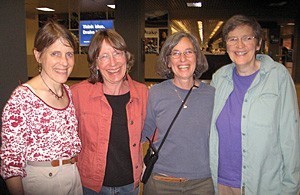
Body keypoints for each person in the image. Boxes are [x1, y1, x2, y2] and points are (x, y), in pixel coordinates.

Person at [209, 14, 300, 195]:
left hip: (263, 184)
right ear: (226, 45)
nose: (239, 45)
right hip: (223, 182)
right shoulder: (219, 78)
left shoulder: (278, 77)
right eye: (233, 39)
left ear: (258, 44)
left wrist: (291, 185)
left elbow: (290, 136)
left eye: (247, 38)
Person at [0, 20, 82, 195]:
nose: (64, 62)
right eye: (55, 54)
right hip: (43, 181)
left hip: (73, 175)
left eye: (69, 54)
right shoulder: (22, 98)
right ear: (38, 56)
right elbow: (11, 162)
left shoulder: (68, 92)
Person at [71, 29, 148, 194]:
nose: (113, 63)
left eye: (117, 53)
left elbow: (154, 134)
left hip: (130, 186)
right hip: (91, 186)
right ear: (96, 64)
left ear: (126, 57)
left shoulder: (142, 93)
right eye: (104, 56)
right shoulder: (78, 94)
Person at [142, 31, 215, 194]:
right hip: (161, 181)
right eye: (175, 53)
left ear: (197, 56)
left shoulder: (212, 95)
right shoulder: (155, 94)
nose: (183, 59)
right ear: (168, 61)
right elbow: (143, 133)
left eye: (188, 52)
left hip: (202, 182)